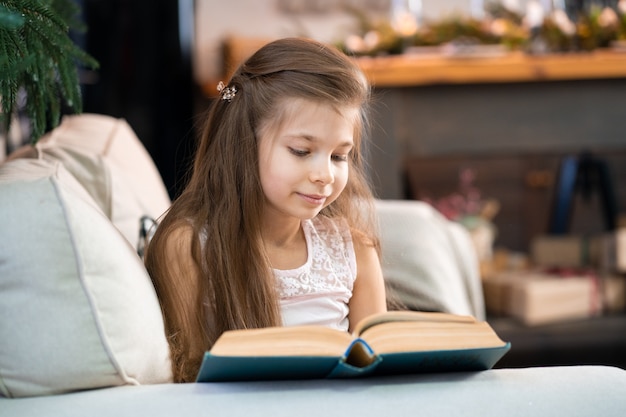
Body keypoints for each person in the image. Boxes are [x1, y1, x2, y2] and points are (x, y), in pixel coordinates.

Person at [145, 37, 387, 383]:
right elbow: (187, 380)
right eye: (302, 151)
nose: (324, 175)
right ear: (244, 142)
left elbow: (377, 374)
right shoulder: (189, 248)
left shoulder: (355, 252)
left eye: (339, 156)